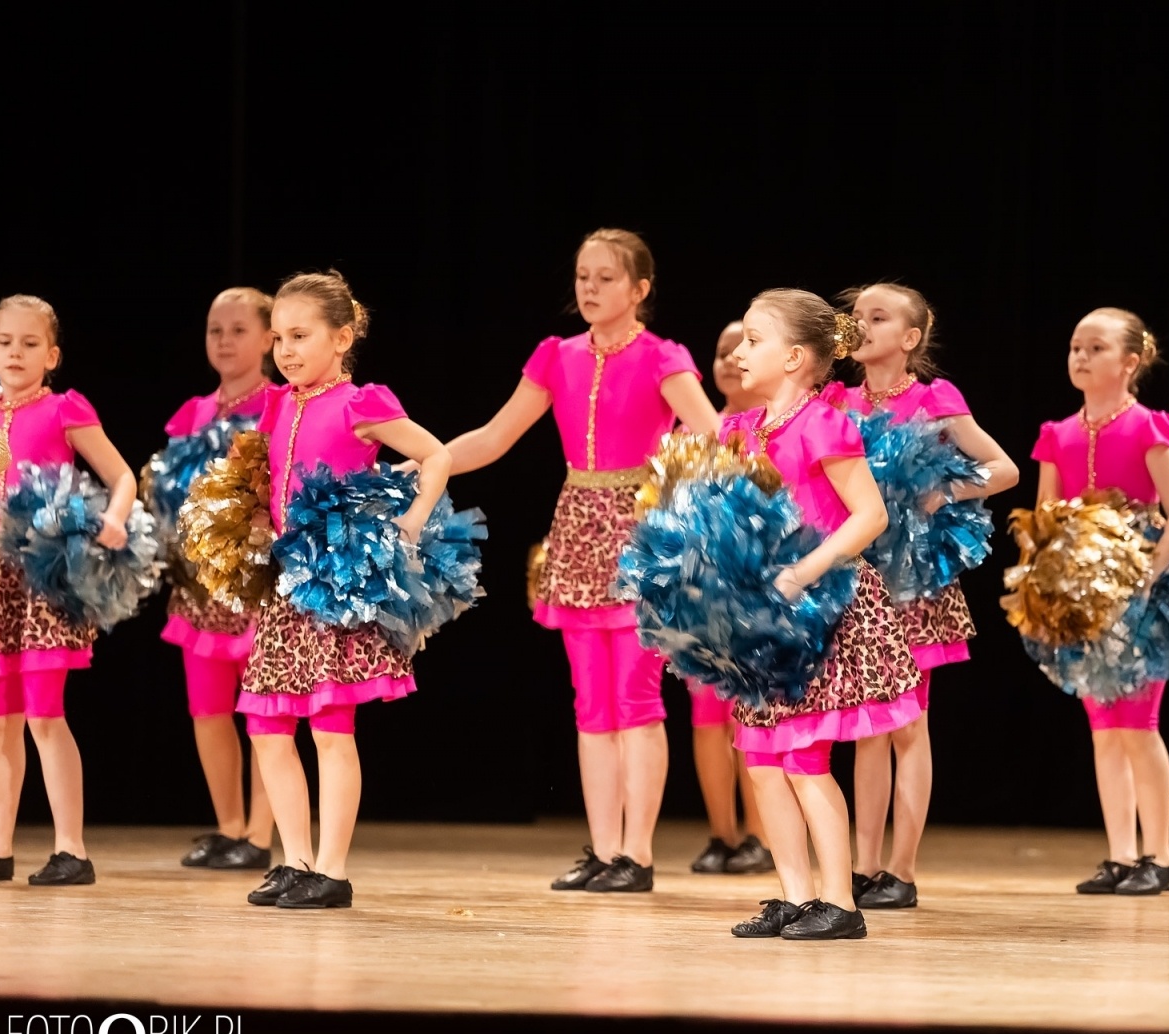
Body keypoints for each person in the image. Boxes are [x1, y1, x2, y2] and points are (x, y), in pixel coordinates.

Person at [443, 229, 719, 892]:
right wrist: (429, 463)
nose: (590, 288)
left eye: (606, 277)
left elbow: (713, 436)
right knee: (591, 700)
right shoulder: (557, 356)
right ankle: (603, 848)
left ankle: (637, 855)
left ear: (640, 289)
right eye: (582, 276)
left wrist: (675, 504)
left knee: (636, 697)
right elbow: (495, 436)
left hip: (641, 535)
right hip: (576, 530)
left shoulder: (663, 357)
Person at [239, 271, 453, 910]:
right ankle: (295, 861)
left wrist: (411, 520)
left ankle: (331, 869)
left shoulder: (361, 404)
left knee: (330, 725)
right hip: (286, 582)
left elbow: (436, 455)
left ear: (342, 337)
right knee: (267, 722)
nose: (286, 350)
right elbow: (271, 483)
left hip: (334, 584)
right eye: (279, 338)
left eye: (300, 336)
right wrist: (255, 521)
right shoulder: (279, 404)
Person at [722, 288, 923, 940]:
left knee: (805, 760)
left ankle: (840, 902)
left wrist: (805, 570)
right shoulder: (738, 431)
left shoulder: (823, 425)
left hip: (821, 607)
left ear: (794, 358)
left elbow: (870, 515)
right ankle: (797, 896)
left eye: (754, 340)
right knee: (761, 760)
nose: (739, 351)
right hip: (763, 616)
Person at [842, 283, 1017, 908]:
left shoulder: (933, 398)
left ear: (910, 337)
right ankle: (862, 866)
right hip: (857, 577)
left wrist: (944, 492)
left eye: (878, 317)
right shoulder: (837, 401)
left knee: (907, 725)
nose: (861, 325)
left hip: (913, 578)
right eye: (856, 315)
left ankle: (902, 870)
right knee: (867, 726)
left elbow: (1004, 469)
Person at [1031, 307, 1169, 897]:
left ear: (1131, 361)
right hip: (1084, 592)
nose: (1080, 356)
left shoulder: (1150, 428)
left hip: (1142, 589)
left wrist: (1146, 573)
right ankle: (1122, 854)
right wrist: (1048, 582)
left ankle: (1160, 855)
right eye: (1076, 346)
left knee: (1138, 726)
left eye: (1095, 348)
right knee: (1103, 729)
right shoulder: (1058, 435)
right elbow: (1045, 517)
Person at [0, 294, 139, 886]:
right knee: (1, 721)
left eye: (29, 344)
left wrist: (115, 518)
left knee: (44, 715)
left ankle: (71, 849)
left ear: (51, 355)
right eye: (4, 342)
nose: (15, 353)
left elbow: (121, 474)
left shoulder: (63, 410)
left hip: (44, 580)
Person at [162, 288, 275, 871]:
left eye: (238, 330)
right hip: (201, 587)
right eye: (215, 330)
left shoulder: (279, 404)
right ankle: (230, 827)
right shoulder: (193, 414)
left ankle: (260, 834)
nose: (225, 341)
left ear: (268, 339)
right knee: (207, 708)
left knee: (264, 712)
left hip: (258, 582)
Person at [688, 320, 772, 875]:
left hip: (761, 594)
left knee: (753, 714)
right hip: (703, 597)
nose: (728, 359)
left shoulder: (775, 428)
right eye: (719, 351)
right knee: (707, 717)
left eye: (739, 349)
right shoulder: (691, 429)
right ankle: (722, 834)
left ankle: (761, 837)